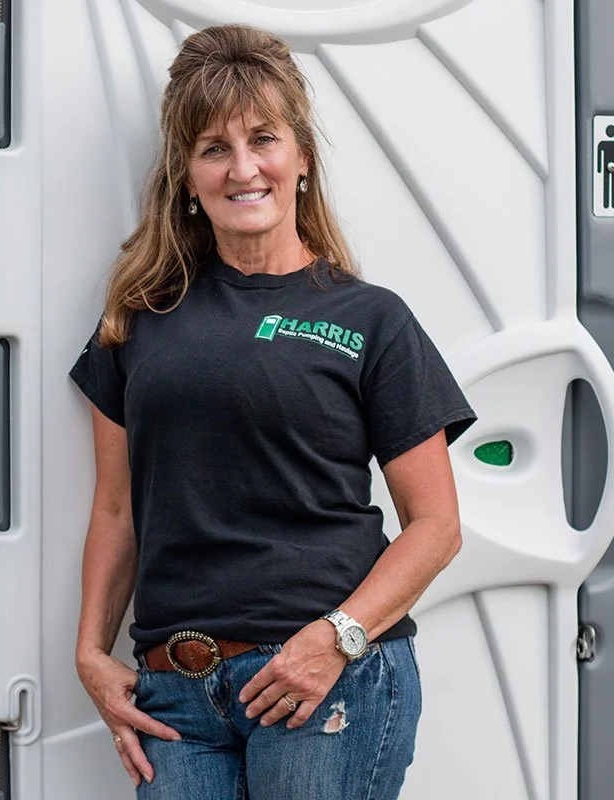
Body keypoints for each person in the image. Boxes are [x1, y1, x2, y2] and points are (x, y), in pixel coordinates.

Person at [70, 23, 477, 800]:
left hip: (326, 684)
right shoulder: (137, 317)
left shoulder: (371, 318)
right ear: (187, 177)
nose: (243, 167)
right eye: (214, 148)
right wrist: (90, 653)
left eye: (264, 138)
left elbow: (436, 527)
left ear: (301, 159)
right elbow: (117, 508)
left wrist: (336, 640)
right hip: (175, 696)